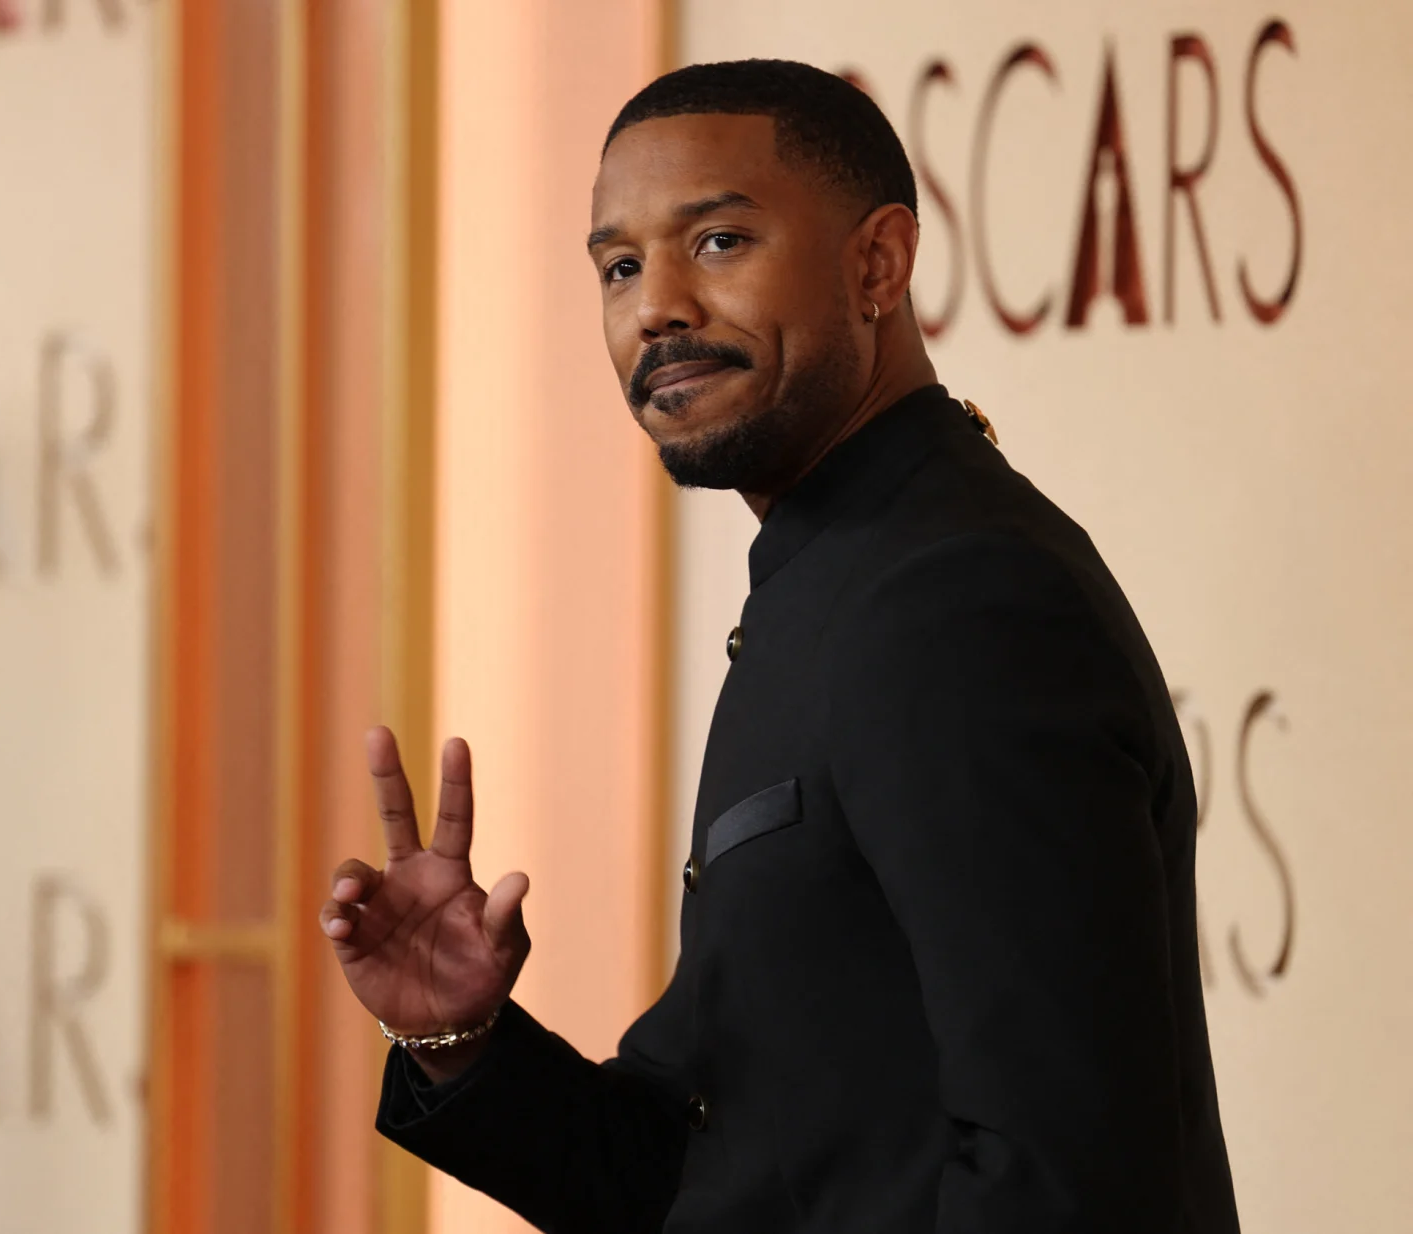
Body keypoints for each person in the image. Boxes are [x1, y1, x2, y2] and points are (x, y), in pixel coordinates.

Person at [317, 59, 1240, 1234]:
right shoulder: (830, 580)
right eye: (618, 266)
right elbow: (710, 1172)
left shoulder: (960, 601)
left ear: (879, 263)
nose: (656, 306)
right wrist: (460, 1041)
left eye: (717, 243)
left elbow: (1061, 1176)